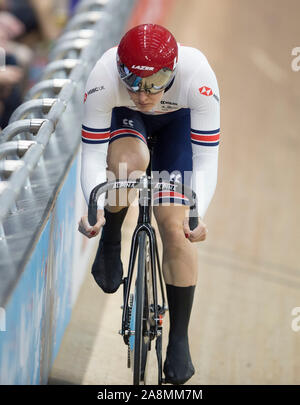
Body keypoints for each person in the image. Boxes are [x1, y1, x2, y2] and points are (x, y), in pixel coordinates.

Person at [78, 24, 220, 385]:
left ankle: (180, 338)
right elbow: (93, 157)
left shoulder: (198, 75)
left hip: (177, 126)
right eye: (134, 82)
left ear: (173, 70)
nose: (144, 94)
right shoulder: (103, 76)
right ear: (119, 70)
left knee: (176, 229)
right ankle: (111, 239)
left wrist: (196, 214)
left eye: (157, 81)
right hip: (129, 126)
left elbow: (205, 162)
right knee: (130, 161)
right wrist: (94, 207)